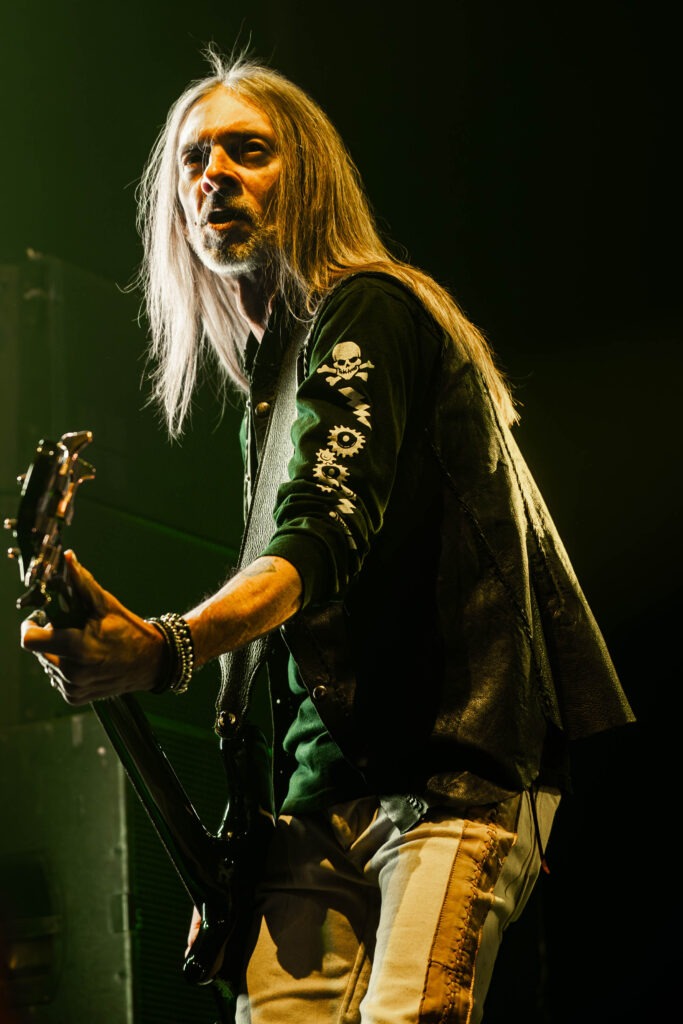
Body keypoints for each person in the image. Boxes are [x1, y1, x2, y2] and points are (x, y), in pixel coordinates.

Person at [20, 48, 635, 1023]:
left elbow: (320, 538)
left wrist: (167, 645)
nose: (213, 174)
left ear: (305, 176)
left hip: (450, 776)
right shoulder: (270, 386)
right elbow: (300, 639)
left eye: (247, 150)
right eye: (193, 158)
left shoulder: (369, 310)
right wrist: (242, 842)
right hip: (313, 803)